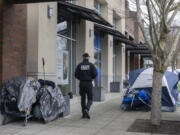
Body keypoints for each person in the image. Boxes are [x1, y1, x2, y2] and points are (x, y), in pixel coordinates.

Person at [75, 53, 97, 119]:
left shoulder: (79, 65)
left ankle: (84, 114)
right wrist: (91, 78)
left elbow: (76, 74)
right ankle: (87, 109)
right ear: (88, 57)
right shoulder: (91, 65)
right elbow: (95, 74)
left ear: (83, 57)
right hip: (88, 83)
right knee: (90, 98)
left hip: (82, 83)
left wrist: (81, 78)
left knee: (83, 99)